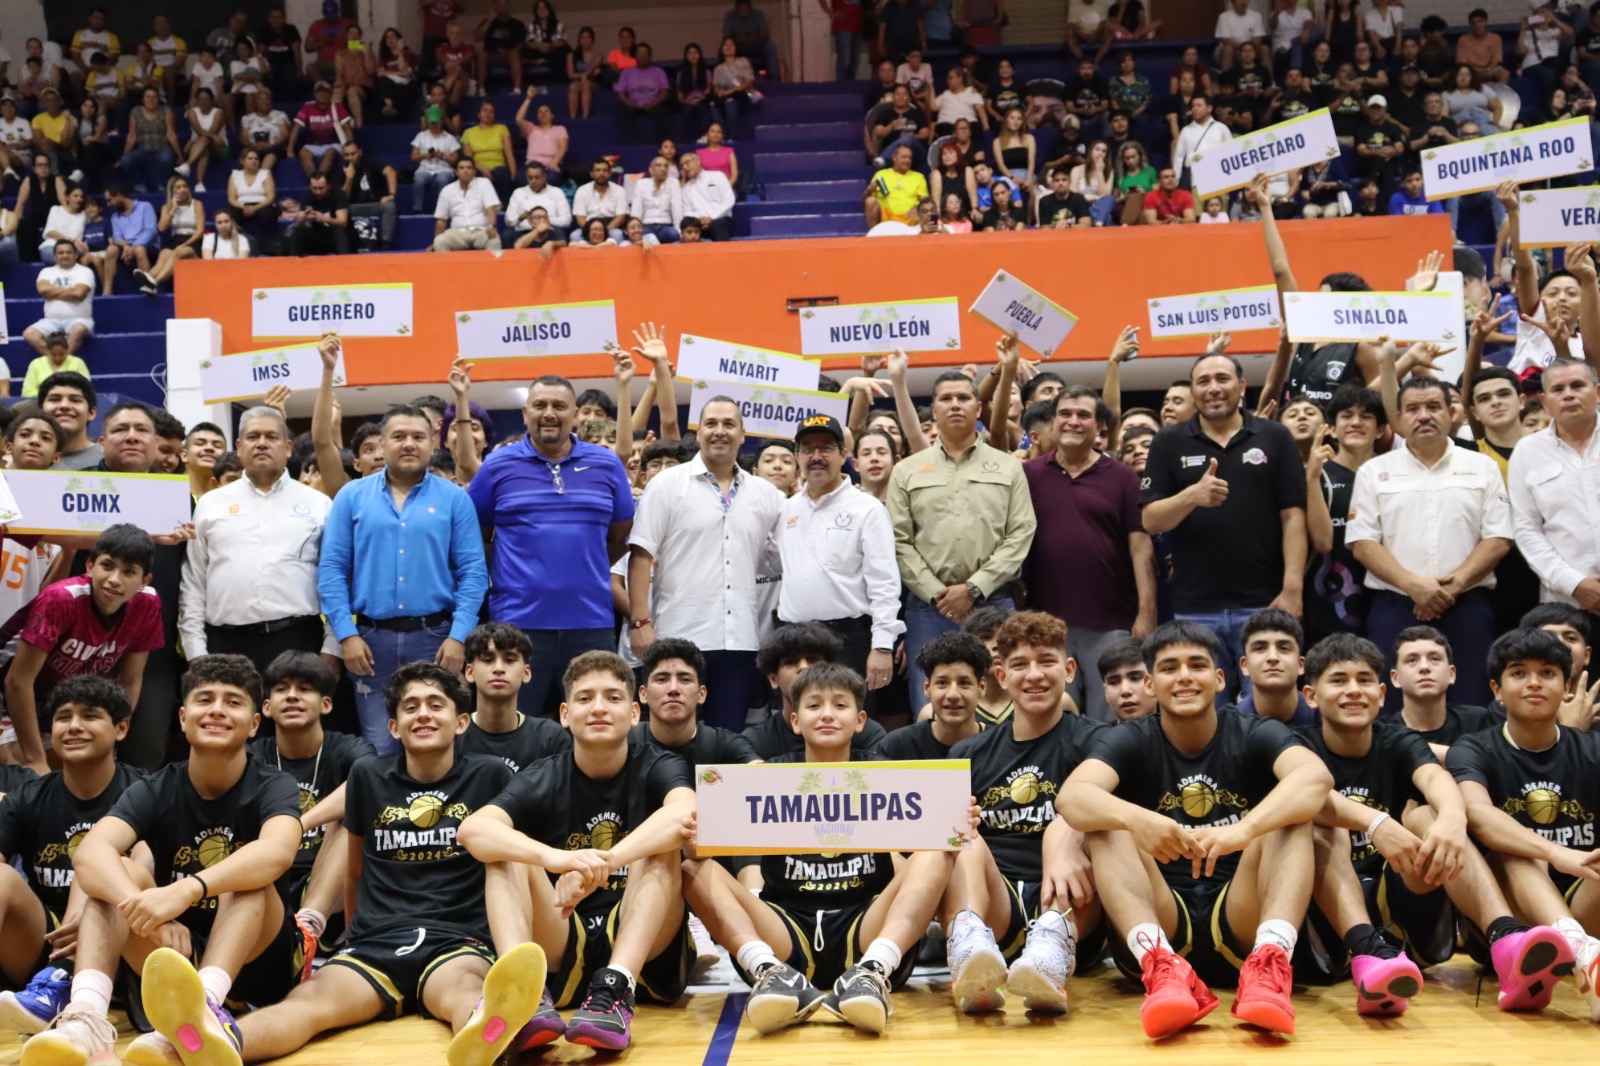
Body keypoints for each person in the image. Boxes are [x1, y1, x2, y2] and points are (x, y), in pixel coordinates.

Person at [173, 663, 542, 1066]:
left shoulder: (488, 774)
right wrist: (351, 937)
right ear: (394, 727)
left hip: (456, 940)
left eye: (436, 705)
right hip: (373, 942)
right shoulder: (368, 775)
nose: (423, 714)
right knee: (306, 1003)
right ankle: (218, 1041)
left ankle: (485, 1033)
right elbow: (353, 871)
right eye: (411, 707)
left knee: (464, 993)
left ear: (461, 722)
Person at [19, 655, 305, 1066]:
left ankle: (204, 1008)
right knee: (113, 875)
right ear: (184, 718)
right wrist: (142, 907)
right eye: (205, 699)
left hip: (257, 958)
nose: (218, 710)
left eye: (233, 702)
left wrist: (186, 890)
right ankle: (87, 1020)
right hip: (172, 954)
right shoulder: (157, 786)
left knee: (248, 871)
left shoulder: (273, 783)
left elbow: (277, 852)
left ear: (255, 723)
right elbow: (91, 854)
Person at [1061, 620, 1334, 1037]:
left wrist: (1245, 828)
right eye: (1170, 668)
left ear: (1220, 679)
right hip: (1161, 913)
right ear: (1151, 684)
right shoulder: (1132, 738)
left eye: (1197, 665)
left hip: (1241, 913)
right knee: (1105, 825)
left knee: (1293, 818)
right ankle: (1160, 968)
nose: (1185, 676)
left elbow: (1315, 779)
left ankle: (1269, 965)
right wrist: (1138, 818)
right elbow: (1072, 797)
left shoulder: (1254, 731)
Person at [1297, 633, 1577, 1013]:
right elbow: (1310, 793)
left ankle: (1505, 940)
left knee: (1429, 814)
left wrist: (1451, 820)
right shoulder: (1297, 744)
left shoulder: (1397, 740)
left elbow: (1435, 777)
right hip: (1325, 920)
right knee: (1318, 827)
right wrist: (1378, 822)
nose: (1353, 690)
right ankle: (1368, 953)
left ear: (1381, 693)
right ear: (1311, 696)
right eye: (1338, 680)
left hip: (1401, 901)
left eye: (1364, 680)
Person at [688, 661, 960, 1034]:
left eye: (840, 705)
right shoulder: (765, 778)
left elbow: (930, 845)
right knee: (691, 868)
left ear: (860, 720)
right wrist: (697, 836)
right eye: (814, 706)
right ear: (795, 721)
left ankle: (873, 972)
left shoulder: (887, 775)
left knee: (940, 845)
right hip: (784, 927)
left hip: (866, 922)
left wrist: (958, 821)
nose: (828, 714)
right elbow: (704, 851)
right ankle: (767, 971)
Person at [458, 651, 698, 1051]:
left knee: (664, 844)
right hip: (564, 932)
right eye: (586, 698)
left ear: (634, 712)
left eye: (612, 697)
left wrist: (597, 867)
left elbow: (686, 815)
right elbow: (473, 830)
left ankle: (616, 988)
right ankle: (527, 997)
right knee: (500, 852)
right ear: (565, 715)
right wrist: (556, 859)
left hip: (643, 939)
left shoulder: (659, 763)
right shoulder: (544, 773)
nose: (599, 708)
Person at [941, 611, 1108, 1013]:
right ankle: (968, 947)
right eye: (1019, 665)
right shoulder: (967, 753)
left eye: (1046, 661)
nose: (1034, 675)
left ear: (1068, 670)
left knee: (1097, 825)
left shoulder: (1098, 740)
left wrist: (1066, 833)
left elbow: (1104, 806)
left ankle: (1051, 951)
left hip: (1070, 907)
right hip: (995, 907)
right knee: (956, 831)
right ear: (1001, 676)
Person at [318, 405, 487, 753]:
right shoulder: (351, 497)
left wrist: (458, 637)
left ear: (432, 443)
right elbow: (332, 570)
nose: (408, 444)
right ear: (382, 443)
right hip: (368, 643)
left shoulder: (455, 499)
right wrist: (346, 636)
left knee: (438, 743)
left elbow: (473, 574)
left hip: (437, 641)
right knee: (381, 745)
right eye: (398, 436)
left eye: (418, 437)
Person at [1450, 627, 1600, 1013]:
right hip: (1514, 921)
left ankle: (1584, 953)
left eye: (1547, 673)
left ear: (1567, 687)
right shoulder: (1473, 748)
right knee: (1511, 848)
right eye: (1518, 673)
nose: (1533, 683)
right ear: (1497, 690)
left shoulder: (1593, 748)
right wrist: (1555, 853)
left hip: (1585, 896)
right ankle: (1579, 949)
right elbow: (1478, 815)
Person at [1141, 352, 1307, 696]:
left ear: (1242, 386)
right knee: (1199, 710)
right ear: (1193, 391)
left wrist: (1293, 589)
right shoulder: (1169, 441)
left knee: (1269, 707)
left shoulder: (1275, 436)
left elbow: (1293, 517)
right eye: (1203, 381)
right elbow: (1151, 519)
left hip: (1266, 604)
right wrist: (1192, 496)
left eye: (1222, 379)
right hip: (1194, 608)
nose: (1213, 388)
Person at [468, 373, 633, 715]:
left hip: (591, 622)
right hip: (517, 624)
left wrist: (583, 566)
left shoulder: (606, 464)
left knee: (594, 723)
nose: (549, 413)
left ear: (574, 414)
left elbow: (619, 537)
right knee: (517, 724)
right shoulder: (497, 465)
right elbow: (477, 538)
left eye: (559, 406)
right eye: (540, 405)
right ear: (524, 413)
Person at [1348, 374, 1512, 708]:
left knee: (1473, 705)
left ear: (1452, 413)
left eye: (1434, 406)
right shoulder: (1373, 471)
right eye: (1413, 408)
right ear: (1399, 418)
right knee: (1392, 709)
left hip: (1466, 606)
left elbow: (1498, 538)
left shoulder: (1481, 467)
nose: (1424, 415)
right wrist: (1414, 586)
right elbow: (1363, 542)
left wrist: (1452, 587)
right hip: (1394, 607)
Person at [629, 393, 783, 731]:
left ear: (743, 435)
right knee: (673, 735)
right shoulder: (667, 485)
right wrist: (640, 622)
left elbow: (782, 560)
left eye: (729, 424)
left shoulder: (767, 495)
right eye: (711, 423)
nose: (719, 431)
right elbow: (641, 554)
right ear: (698, 433)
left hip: (740, 640)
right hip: (678, 634)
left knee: (725, 740)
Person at [0, 678, 146, 1034]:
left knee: (98, 863)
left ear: (121, 728)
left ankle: (71, 981)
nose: (74, 726)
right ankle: (55, 985)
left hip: (127, 937)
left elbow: (146, 863)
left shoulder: (146, 789)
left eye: (90, 716)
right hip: (48, 944)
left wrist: (99, 915)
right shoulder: (30, 796)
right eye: (63, 717)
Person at [891, 368, 1035, 705]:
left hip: (995, 602)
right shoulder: (907, 470)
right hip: (928, 611)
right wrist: (938, 594)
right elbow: (899, 541)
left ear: (978, 408)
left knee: (1004, 702)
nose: (955, 405)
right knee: (931, 707)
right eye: (946, 398)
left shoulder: (1008, 467)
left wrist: (973, 588)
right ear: (935, 409)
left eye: (964, 398)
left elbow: (1021, 532)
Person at [1023, 380, 1155, 721]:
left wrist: (1146, 613)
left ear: (1100, 427)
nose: (1072, 421)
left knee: (1111, 718)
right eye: (1064, 414)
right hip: (1046, 626)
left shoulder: (1124, 477)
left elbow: (1140, 547)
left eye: (1083, 415)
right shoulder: (1028, 475)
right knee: (1054, 721)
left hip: (1111, 623)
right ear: (1053, 422)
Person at [180, 406, 340, 674]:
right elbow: (194, 582)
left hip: (299, 640)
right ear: (239, 447)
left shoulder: (319, 504)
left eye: (272, 437)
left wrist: (332, 649)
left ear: (288, 447)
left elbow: (336, 580)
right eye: (253, 437)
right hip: (225, 644)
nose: (262, 444)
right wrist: (196, 653)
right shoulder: (210, 504)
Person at [0, 523, 159, 777]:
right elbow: (17, 680)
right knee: (35, 779)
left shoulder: (148, 604)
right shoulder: (61, 598)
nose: (115, 579)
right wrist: (35, 758)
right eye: (107, 566)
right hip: (8, 698)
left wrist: (112, 740)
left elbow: (130, 680)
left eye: (129, 571)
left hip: (61, 707)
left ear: (144, 580)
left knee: (93, 773)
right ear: (90, 566)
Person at [247, 651, 374, 954]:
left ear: (326, 704)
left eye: (304, 689)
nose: (292, 696)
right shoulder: (253, 756)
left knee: (351, 817)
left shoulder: (348, 747)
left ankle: (308, 929)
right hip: (267, 883)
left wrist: (299, 824)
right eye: (281, 689)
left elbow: (367, 784)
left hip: (331, 887)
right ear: (266, 707)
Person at [777, 414, 902, 696]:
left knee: (849, 726)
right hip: (794, 640)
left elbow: (885, 584)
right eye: (808, 449)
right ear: (797, 456)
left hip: (849, 639)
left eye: (826, 448)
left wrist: (882, 646)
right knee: (798, 724)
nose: (816, 456)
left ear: (843, 454)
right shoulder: (787, 509)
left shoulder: (867, 509)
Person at [1509, 357, 1600, 613]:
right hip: (1566, 602)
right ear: (1546, 402)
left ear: (1597, 392)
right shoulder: (1527, 452)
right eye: (1558, 389)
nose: (1568, 395)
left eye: (1577, 385)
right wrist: (1575, 584)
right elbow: (1526, 529)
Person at [458, 622, 571, 772]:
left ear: (526, 673)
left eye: (510, 660)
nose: (498, 668)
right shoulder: (453, 735)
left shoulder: (551, 738)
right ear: (469, 672)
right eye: (487, 660)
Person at [878, 631, 989, 759]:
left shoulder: (999, 747)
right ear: (927, 687)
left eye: (964, 683)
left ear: (981, 687)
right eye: (942, 683)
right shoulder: (896, 746)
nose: (953, 695)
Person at [1234, 609, 1315, 727]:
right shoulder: (1230, 726)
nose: (1272, 657)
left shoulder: (1324, 717)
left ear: (1301, 665)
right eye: (1260, 648)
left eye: (1284, 648)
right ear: (1245, 665)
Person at [23, 241, 93, 360]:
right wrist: (70, 291)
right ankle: (56, 360)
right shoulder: (46, 272)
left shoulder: (85, 272)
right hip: (51, 321)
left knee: (78, 330)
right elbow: (43, 290)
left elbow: (79, 293)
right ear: (55, 256)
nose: (65, 255)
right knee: (29, 334)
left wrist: (52, 292)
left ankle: (62, 363)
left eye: (68, 252)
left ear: (76, 255)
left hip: (79, 319)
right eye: (61, 253)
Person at [432, 156, 501, 252]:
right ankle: (449, 268)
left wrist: (492, 226)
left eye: (469, 168)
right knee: (439, 242)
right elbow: (441, 220)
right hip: (457, 233)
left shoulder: (484, 183)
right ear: (456, 172)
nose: (465, 171)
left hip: (481, 231)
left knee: (494, 240)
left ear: (474, 171)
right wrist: (434, 243)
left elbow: (490, 208)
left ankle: (490, 267)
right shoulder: (447, 190)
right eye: (462, 168)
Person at [340, 140, 397, 250]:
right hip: (352, 207)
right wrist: (349, 178)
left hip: (375, 204)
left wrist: (391, 194)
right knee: (339, 210)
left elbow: (391, 172)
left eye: (353, 154)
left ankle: (385, 244)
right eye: (347, 155)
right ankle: (345, 246)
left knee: (390, 206)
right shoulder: (342, 169)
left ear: (359, 152)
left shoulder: (370, 161)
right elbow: (342, 198)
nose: (350, 158)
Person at [290, 81, 355, 179]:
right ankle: (315, 180)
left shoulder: (337, 107)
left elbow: (347, 128)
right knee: (303, 153)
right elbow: (296, 128)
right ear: (314, 94)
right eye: (319, 92)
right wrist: (290, 149)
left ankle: (320, 179)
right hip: (313, 144)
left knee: (330, 153)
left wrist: (349, 146)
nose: (322, 95)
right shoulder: (307, 107)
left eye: (325, 92)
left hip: (333, 143)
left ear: (330, 94)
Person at [38, 371, 100, 470]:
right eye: (55, 399)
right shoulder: (22, 460)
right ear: (40, 411)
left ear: (91, 413)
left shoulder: (109, 461)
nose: (64, 406)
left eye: (75, 400)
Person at [287, 171, 353, 256]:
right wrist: (301, 220)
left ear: (328, 186)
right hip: (319, 238)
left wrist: (323, 219)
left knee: (339, 231)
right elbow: (302, 226)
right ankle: (293, 263)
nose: (318, 192)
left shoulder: (339, 195)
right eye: (314, 188)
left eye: (321, 188)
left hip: (336, 238)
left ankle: (344, 262)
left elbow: (343, 222)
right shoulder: (307, 197)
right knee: (298, 233)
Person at [1173, 94, 1231, 188]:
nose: (1195, 108)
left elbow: (1231, 153)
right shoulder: (1186, 130)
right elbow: (1179, 157)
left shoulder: (1221, 128)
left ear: (1209, 108)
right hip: (1193, 179)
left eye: (1199, 105)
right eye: (1193, 106)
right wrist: (1176, 179)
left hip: (1218, 178)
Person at [410, 105, 461, 213]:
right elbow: (413, 156)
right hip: (425, 168)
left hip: (444, 169)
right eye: (431, 123)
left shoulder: (449, 138)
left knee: (443, 180)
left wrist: (442, 156)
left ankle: (441, 210)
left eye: (436, 123)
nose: (433, 125)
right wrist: (424, 155)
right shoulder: (421, 136)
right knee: (419, 179)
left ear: (441, 122)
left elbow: (455, 160)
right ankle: (417, 209)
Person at [461, 100, 515, 201]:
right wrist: (483, 170)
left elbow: (509, 153)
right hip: (478, 168)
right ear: (479, 114)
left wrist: (513, 172)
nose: (488, 114)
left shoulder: (502, 129)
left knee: (502, 174)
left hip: (498, 168)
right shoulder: (468, 133)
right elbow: (468, 158)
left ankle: (503, 208)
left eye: (491, 111)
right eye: (485, 110)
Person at [617, 43, 670, 144]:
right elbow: (620, 93)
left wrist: (653, 104)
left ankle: (661, 143)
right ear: (635, 55)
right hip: (633, 104)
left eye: (645, 53)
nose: (642, 56)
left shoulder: (659, 72)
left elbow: (665, 93)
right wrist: (629, 103)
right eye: (639, 53)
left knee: (664, 110)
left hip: (653, 104)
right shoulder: (627, 72)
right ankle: (631, 143)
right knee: (621, 110)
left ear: (650, 56)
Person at [506, 160, 572, 238]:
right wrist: (520, 218)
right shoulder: (518, 193)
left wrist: (544, 220)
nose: (533, 181)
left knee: (559, 234)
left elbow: (566, 220)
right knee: (508, 235)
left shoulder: (557, 192)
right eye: (530, 178)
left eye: (537, 177)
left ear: (545, 176)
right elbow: (508, 220)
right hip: (524, 231)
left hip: (549, 230)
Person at [677, 151, 734, 241]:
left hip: (721, 219)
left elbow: (729, 200)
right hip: (699, 223)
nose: (685, 167)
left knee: (716, 225)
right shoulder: (686, 188)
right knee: (689, 229)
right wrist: (699, 220)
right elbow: (687, 210)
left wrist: (712, 218)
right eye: (682, 165)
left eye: (687, 162)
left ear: (698, 161)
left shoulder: (717, 176)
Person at [1099, 636, 1157, 721]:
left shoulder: (1177, 733)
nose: (1125, 691)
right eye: (1114, 682)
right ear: (1106, 692)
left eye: (1135, 678)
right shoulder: (1099, 734)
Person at [572, 157, 628, 241]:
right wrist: (591, 231)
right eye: (597, 170)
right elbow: (580, 218)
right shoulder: (582, 190)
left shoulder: (619, 190)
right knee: (575, 236)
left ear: (610, 174)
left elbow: (620, 217)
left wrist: (604, 231)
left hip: (611, 226)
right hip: (590, 226)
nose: (601, 173)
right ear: (592, 174)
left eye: (605, 170)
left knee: (618, 234)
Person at [723, 0, 781, 80]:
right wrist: (753, 38)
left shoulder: (758, 15)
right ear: (736, 9)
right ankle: (728, 79)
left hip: (757, 47)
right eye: (741, 11)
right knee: (726, 47)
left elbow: (765, 36)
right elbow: (727, 37)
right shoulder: (730, 16)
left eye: (746, 10)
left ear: (750, 8)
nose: (744, 13)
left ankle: (774, 79)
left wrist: (741, 38)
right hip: (738, 48)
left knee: (770, 47)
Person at [630, 155, 682, 243]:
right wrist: (634, 229)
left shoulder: (673, 183)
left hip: (665, 226)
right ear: (651, 170)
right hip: (645, 225)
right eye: (659, 165)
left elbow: (677, 209)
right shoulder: (641, 184)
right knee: (645, 237)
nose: (663, 169)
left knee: (673, 234)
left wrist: (679, 231)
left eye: (666, 166)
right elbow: (636, 210)